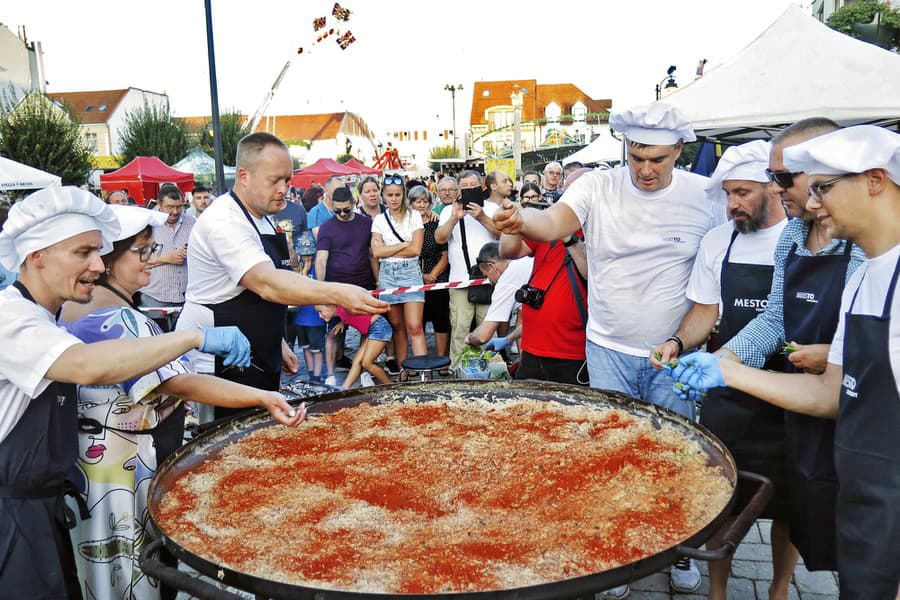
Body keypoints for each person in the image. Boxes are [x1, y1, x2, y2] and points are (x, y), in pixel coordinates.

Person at [493, 102, 721, 598]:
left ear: (679, 151)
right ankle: (618, 555)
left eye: (657, 159)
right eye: (636, 155)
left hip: (672, 355)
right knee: (609, 456)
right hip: (606, 349)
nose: (644, 168)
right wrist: (521, 218)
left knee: (674, 457)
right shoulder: (596, 185)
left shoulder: (706, 197)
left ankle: (679, 550)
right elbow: (553, 222)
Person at [668, 124, 900, 600]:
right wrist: (726, 363)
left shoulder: (875, 264)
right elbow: (823, 383)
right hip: (858, 475)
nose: (812, 203)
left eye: (821, 187)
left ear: (875, 180)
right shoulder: (832, 259)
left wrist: (830, 355)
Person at [0, 186, 253, 599]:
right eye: (83, 253)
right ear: (36, 255)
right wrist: (193, 338)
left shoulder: (45, 317)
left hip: (45, 508)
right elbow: (88, 364)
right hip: (13, 514)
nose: (98, 265)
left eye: (98, 252)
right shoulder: (10, 317)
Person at [60, 205, 305, 600]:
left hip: (89, 465)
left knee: (96, 560)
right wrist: (261, 397)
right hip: (129, 468)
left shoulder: (69, 309)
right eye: (141, 252)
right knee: (135, 562)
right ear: (107, 260)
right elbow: (182, 385)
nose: (151, 262)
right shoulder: (121, 320)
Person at [717, 119, 865, 576]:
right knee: (807, 506)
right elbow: (776, 317)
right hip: (804, 404)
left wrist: (836, 353)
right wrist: (723, 358)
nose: (777, 189)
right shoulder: (792, 235)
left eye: (785, 179)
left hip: (852, 414)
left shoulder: (861, 242)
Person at [649, 140, 791, 600]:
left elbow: (781, 318)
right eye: (728, 193)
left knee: (789, 503)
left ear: (773, 187)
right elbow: (706, 312)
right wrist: (676, 342)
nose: (732, 204)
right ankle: (717, 592)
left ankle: (779, 588)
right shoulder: (718, 240)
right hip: (728, 391)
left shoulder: (802, 241)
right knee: (721, 497)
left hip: (792, 390)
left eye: (743, 193)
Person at [176, 132, 387, 420]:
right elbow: (264, 282)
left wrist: (277, 342)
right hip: (218, 362)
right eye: (274, 180)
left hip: (256, 349)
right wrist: (336, 293)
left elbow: (273, 279)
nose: (284, 189)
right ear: (244, 175)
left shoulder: (263, 218)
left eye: (287, 180)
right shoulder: (223, 220)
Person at [499, 226, 589, 386]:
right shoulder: (548, 231)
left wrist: (569, 238)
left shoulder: (595, 235)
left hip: (571, 355)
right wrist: (510, 223)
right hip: (531, 351)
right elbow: (507, 251)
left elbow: (593, 274)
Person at [435, 170, 503, 368]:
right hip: (460, 280)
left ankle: (491, 370)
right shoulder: (449, 210)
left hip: (488, 280)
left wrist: (481, 217)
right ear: (458, 191)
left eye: (472, 186)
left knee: (488, 328)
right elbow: (440, 238)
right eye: (464, 188)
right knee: (460, 329)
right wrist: (455, 218)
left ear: (481, 187)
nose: (468, 190)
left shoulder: (491, 208)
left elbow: (501, 234)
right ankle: (457, 369)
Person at [316, 186, 378, 385]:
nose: (342, 214)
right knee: (334, 332)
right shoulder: (327, 227)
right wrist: (320, 291)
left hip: (364, 285)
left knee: (366, 330)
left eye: (346, 210)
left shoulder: (366, 223)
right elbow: (321, 259)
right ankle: (331, 375)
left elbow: (371, 254)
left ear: (354, 204)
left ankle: (364, 370)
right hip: (337, 288)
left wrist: (378, 282)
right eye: (337, 211)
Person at [371, 175, 427, 374]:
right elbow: (376, 252)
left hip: (410, 271)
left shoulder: (414, 216)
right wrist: (404, 244)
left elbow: (416, 250)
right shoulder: (379, 219)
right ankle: (405, 370)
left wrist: (389, 248)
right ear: (383, 196)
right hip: (387, 274)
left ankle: (422, 372)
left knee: (415, 325)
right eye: (389, 195)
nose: (393, 199)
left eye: (397, 194)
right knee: (397, 326)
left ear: (403, 195)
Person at [140, 184, 194, 323]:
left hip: (186, 297)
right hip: (155, 297)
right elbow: (137, 262)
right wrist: (165, 259)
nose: (175, 212)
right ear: (159, 204)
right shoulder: (147, 225)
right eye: (170, 207)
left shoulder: (192, 224)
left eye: (179, 206)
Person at [464, 242, 533, 348]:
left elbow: (483, 336)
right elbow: (524, 322)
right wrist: (507, 339)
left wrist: (470, 338)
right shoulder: (523, 260)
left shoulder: (507, 279)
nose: (490, 282)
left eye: (487, 276)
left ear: (491, 267)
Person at [411, 185, 450, 359]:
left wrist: (433, 275)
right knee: (416, 321)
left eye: (425, 201)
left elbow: (446, 253)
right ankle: (420, 358)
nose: (421, 205)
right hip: (414, 276)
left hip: (438, 276)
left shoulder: (437, 222)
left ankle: (441, 358)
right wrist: (421, 276)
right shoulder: (407, 224)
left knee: (440, 319)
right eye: (417, 201)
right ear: (410, 203)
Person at [316, 304, 392, 389]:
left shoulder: (343, 307)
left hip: (379, 328)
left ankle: (392, 386)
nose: (319, 315)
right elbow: (348, 315)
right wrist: (342, 322)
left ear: (330, 306)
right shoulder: (341, 311)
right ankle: (343, 389)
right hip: (373, 329)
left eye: (320, 311)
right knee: (356, 361)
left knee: (367, 363)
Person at [292, 231, 327, 384]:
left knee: (317, 349)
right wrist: (303, 270)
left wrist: (307, 271)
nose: (306, 258)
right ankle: (311, 372)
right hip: (301, 317)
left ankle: (317, 375)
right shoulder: (298, 270)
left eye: (309, 254)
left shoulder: (318, 269)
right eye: (303, 255)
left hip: (315, 318)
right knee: (305, 347)